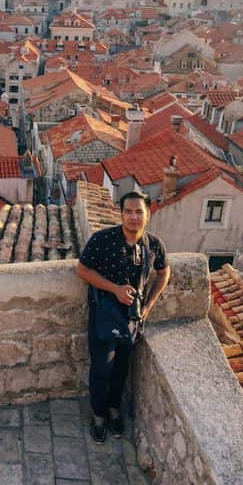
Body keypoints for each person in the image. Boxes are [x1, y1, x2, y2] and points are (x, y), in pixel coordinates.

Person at [75, 190, 170, 443]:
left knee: (121, 368)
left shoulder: (153, 245)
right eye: (128, 211)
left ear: (148, 215)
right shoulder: (102, 239)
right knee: (101, 368)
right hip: (104, 316)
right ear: (121, 214)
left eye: (139, 212)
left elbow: (164, 272)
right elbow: (82, 270)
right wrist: (115, 289)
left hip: (132, 319)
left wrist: (148, 306)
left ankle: (114, 410)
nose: (133, 217)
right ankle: (99, 416)